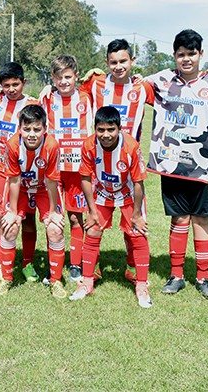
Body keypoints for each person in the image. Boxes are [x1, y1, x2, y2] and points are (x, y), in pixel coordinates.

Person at [145, 29, 208, 298]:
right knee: (179, 219)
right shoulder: (162, 80)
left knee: (202, 220)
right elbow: (130, 83)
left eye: (191, 54)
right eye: (181, 54)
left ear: (201, 54)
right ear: (174, 55)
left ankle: (204, 278)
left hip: (206, 169)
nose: (186, 59)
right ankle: (176, 275)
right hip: (173, 165)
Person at [70, 106, 152, 308]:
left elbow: (139, 182)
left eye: (111, 130)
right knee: (93, 231)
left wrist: (136, 214)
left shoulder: (131, 146)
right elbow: (86, 178)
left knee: (138, 235)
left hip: (128, 193)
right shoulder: (89, 145)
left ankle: (141, 285)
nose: (105, 135)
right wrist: (91, 211)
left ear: (119, 129)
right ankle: (87, 281)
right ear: (95, 128)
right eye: (101, 130)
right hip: (103, 192)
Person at [0, 105, 66, 298]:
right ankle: (7, 278)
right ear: (20, 128)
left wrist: (53, 212)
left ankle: (56, 281)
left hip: (44, 189)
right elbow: (14, 179)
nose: (32, 134)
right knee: (10, 227)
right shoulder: (12, 145)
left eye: (37, 129)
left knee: (55, 229)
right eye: (27, 129)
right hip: (22, 188)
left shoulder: (51, 145)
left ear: (45, 128)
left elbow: (52, 180)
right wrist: (12, 212)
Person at [40, 54, 93, 284]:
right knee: (53, 218)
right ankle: (54, 266)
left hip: (78, 170)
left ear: (76, 76)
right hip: (53, 170)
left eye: (68, 77)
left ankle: (75, 265)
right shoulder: (46, 99)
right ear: (53, 78)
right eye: (59, 77)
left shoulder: (88, 97)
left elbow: (112, 81)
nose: (64, 82)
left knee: (75, 218)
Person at [0, 62, 40, 283]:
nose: (11, 89)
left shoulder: (33, 104)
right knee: (0, 216)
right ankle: (2, 263)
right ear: (1, 85)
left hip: (26, 170)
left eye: (15, 84)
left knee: (27, 217)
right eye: (6, 85)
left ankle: (27, 263)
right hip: (0, 167)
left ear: (23, 83)